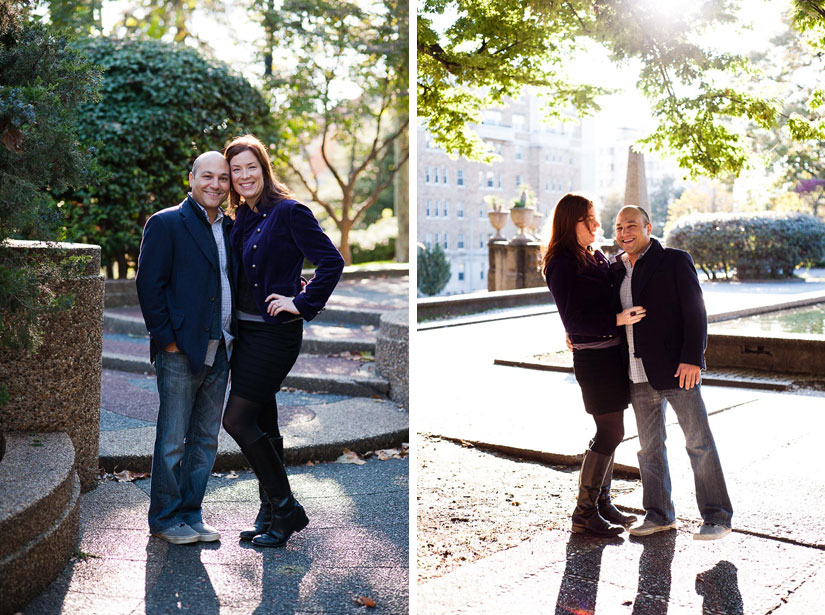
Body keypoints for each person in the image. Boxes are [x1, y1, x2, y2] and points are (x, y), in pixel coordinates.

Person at [221, 134, 345, 548]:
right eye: (235, 170)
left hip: (275, 335)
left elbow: (331, 261)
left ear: (264, 168)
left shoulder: (289, 212)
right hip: (245, 333)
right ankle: (270, 510)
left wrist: (302, 302)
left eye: (249, 167)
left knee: (236, 421)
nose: (243, 176)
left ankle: (286, 508)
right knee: (263, 422)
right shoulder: (241, 219)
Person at [612, 205, 733, 540]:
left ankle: (717, 516)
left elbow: (696, 311)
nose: (625, 232)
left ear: (648, 227)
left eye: (632, 225)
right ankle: (659, 515)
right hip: (636, 373)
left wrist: (693, 358)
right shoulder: (614, 268)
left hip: (678, 370)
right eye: (619, 226)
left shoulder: (675, 260)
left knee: (698, 442)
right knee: (649, 449)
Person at [136, 151, 236, 544]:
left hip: (223, 347)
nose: (216, 184)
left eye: (223, 178)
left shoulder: (230, 227)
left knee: (206, 440)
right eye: (207, 176)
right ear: (191, 179)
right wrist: (169, 341)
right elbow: (149, 286)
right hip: (181, 350)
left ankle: (190, 514)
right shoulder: (165, 223)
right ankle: (164, 519)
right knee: (173, 439)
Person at [543, 194, 647, 536]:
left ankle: (601, 503)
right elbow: (574, 318)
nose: (597, 225)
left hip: (611, 355)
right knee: (610, 431)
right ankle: (584, 512)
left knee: (612, 432)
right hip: (593, 358)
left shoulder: (594, 256)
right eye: (589, 219)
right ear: (570, 222)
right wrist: (617, 319)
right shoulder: (560, 263)